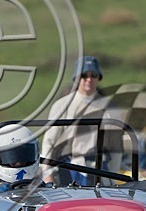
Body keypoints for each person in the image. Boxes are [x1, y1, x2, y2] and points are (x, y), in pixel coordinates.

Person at [41, 56, 116, 185]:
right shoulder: (62, 105)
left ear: (98, 78)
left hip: (101, 169)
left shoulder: (110, 107)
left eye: (93, 75)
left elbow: (115, 146)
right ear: (76, 78)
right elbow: (50, 142)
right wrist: (47, 174)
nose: (89, 80)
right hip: (70, 168)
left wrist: (114, 176)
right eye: (84, 75)